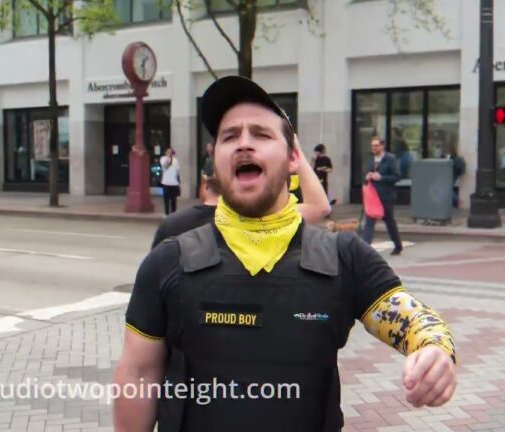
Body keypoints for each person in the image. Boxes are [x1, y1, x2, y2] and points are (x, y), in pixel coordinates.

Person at [114, 76, 457, 432]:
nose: (243, 144)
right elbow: (138, 374)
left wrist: (435, 350)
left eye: (261, 134)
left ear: (294, 158)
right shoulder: (167, 262)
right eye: (229, 137)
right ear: (215, 160)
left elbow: (415, 321)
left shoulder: (344, 257)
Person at [151, 136, 332, 250]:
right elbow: (321, 207)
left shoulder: (172, 226)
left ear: (204, 181)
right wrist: (294, 149)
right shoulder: (261, 219)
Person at [360, 137, 403, 255]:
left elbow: (397, 176)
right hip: (372, 196)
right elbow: (364, 175)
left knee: (389, 221)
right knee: (369, 222)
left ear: (382, 146)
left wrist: (381, 177)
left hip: (386, 196)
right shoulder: (370, 159)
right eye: (372, 146)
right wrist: (366, 177)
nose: (373, 148)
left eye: (376, 145)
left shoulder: (390, 159)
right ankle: (364, 249)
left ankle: (398, 245)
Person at [159, 148, 180, 215]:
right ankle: (167, 214)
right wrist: (168, 159)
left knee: (173, 200)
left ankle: (173, 214)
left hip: (174, 183)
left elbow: (178, 171)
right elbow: (165, 166)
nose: (169, 153)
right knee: (166, 200)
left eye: (171, 152)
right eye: (168, 152)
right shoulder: (163, 159)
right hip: (166, 183)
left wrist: (179, 182)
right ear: (165, 152)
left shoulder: (175, 160)